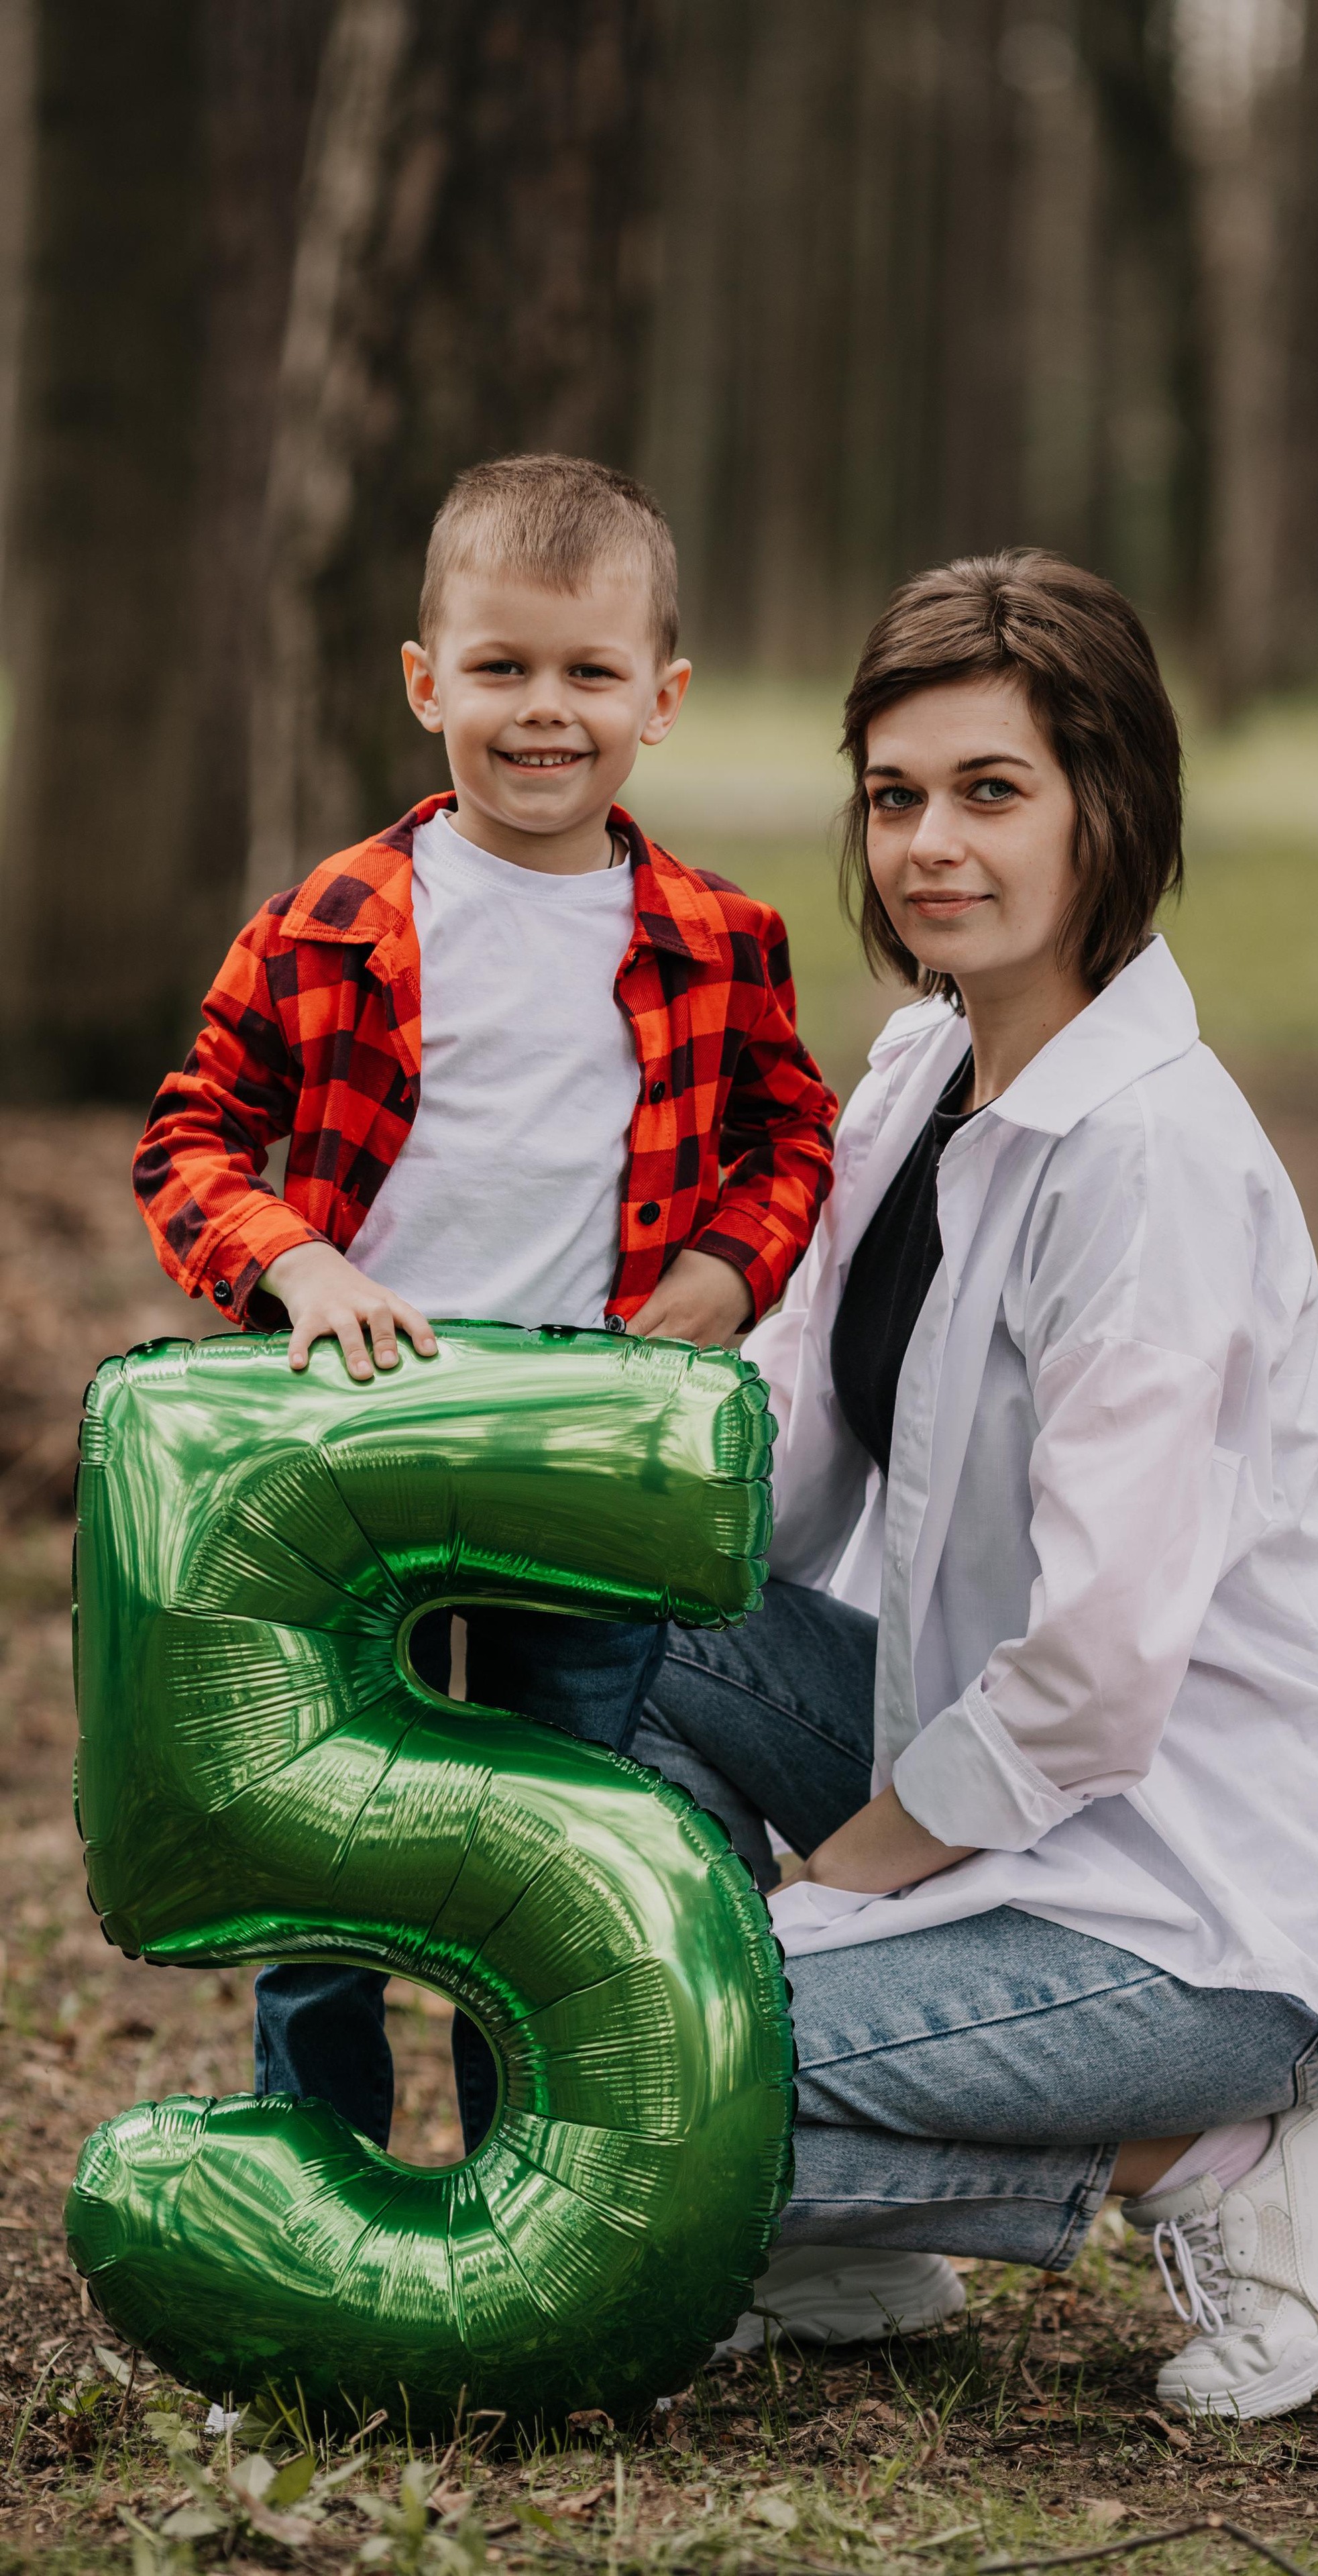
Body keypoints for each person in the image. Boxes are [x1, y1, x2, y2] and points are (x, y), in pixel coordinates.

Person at [634, 549, 1318, 2421]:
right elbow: (788, 1460)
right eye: (895, 794)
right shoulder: (926, 1063)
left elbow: (1093, 1677)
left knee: (646, 2094)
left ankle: (1222, 2153)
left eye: (991, 794)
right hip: (981, 1772)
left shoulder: (1150, 1168)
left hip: (1203, 1897)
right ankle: (858, 2232)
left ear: (1109, 812)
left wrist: (827, 1889)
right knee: (637, 1640)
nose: (929, 843)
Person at [131, 452, 837, 2156]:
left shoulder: (715, 938)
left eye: (589, 675)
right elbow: (191, 1135)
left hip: (573, 1458)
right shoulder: (328, 924)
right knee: (331, 1844)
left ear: (659, 699)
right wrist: (293, 1262)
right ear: (423, 679)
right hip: (342, 1469)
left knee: (546, 1836)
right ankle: (325, 2176)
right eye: (502, 668)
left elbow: (790, 1131)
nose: (544, 713)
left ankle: (528, 2194)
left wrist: (725, 1271)